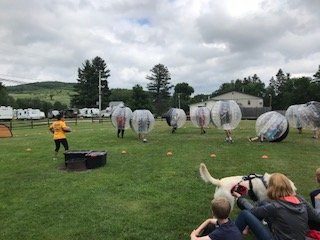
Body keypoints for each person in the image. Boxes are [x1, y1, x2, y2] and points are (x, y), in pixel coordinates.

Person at [232, 173, 320, 240]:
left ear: (271, 188)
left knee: (245, 214)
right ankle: (246, 228)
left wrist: (240, 199)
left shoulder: (276, 206)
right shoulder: (301, 200)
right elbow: (317, 217)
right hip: (300, 237)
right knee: (263, 203)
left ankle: (228, 234)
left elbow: (254, 211)